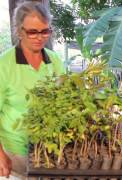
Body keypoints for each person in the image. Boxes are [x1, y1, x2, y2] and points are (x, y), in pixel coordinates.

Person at [0, 2, 64, 178]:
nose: (39, 37)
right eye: (32, 32)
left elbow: (65, 100)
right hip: (14, 153)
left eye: (45, 31)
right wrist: (1, 156)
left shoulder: (55, 61)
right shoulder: (4, 65)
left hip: (48, 149)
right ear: (19, 31)